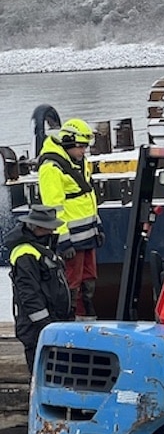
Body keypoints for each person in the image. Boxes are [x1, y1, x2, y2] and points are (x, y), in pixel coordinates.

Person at [37, 118, 103, 320]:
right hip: (71, 239)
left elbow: (87, 197)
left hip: (86, 235)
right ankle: (70, 319)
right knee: (71, 282)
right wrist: (63, 240)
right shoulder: (52, 168)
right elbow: (54, 207)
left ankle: (87, 319)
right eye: (80, 147)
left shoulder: (78, 161)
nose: (84, 151)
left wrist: (97, 227)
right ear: (67, 142)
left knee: (88, 279)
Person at [4, 204, 74, 373]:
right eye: (49, 228)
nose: (52, 232)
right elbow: (29, 295)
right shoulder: (26, 254)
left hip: (51, 323)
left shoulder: (41, 249)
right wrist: (46, 325)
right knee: (42, 373)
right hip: (37, 329)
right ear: (37, 227)